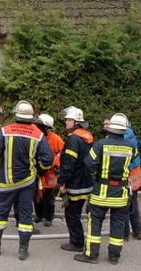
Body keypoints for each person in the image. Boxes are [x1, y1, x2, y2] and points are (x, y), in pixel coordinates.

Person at [0, 100, 53, 261]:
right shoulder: (38, 134)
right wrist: (39, 170)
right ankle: (23, 250)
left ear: (16, 114)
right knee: (25, 216)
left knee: (0, 212)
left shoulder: (5, 131)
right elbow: (48, 158)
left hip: (6, 181)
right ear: (31, 118)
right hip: (27, 182)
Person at [75, 113, 138, 265]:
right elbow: (134, 161)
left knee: (95, 222)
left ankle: (92, 255)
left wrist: (95, 174)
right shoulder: (131, 147)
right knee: (118, 224)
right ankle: (114, 257)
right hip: (121, 193)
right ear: (124, 130)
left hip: (101, 191)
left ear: (109, 129)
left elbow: (89, 164)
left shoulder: (100, 144)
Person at [57, 106, 94, 253]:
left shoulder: (73, 139)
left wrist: (62, 182)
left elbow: (68, 164)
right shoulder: (87, 137)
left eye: (69, 120)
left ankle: (77, 243)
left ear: (75, 122)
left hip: (75, 183)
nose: (66, 122)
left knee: (72, 214)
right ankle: (79, 240)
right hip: (86, 182)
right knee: (76, 213)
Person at [103, 114, 141, 242]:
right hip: (133, 177)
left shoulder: (122, 139)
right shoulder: (129, 136)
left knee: (124, 205)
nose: (105, 126)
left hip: (127, 177)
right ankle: (137, 231)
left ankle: (124, 233)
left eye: (107, 124)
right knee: (132, 204)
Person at [33, 114, 64, 227]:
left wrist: (53, 162)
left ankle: (49, 217)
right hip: (37, 173)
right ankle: (39, 215)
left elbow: (62, 153)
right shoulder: (34, 136)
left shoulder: (56, 139)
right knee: (36, 197)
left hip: (50, 175)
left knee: (49, 198)